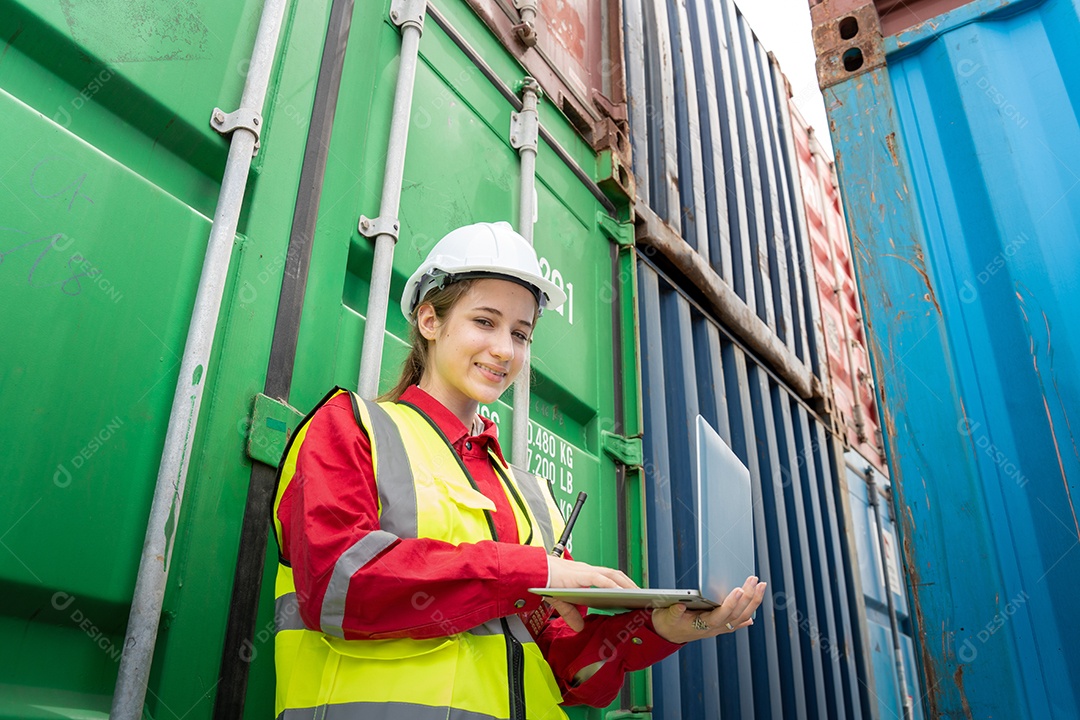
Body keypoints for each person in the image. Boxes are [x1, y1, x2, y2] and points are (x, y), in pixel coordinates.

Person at [271, 221, 766, 720]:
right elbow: (337, 583)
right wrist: (534, 571)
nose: (505, 350)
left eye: (520, 334)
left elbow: (560, 664)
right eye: (484, 322)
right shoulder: (350, 427)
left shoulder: (531, 499)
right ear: (429, 320)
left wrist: (660, 630)